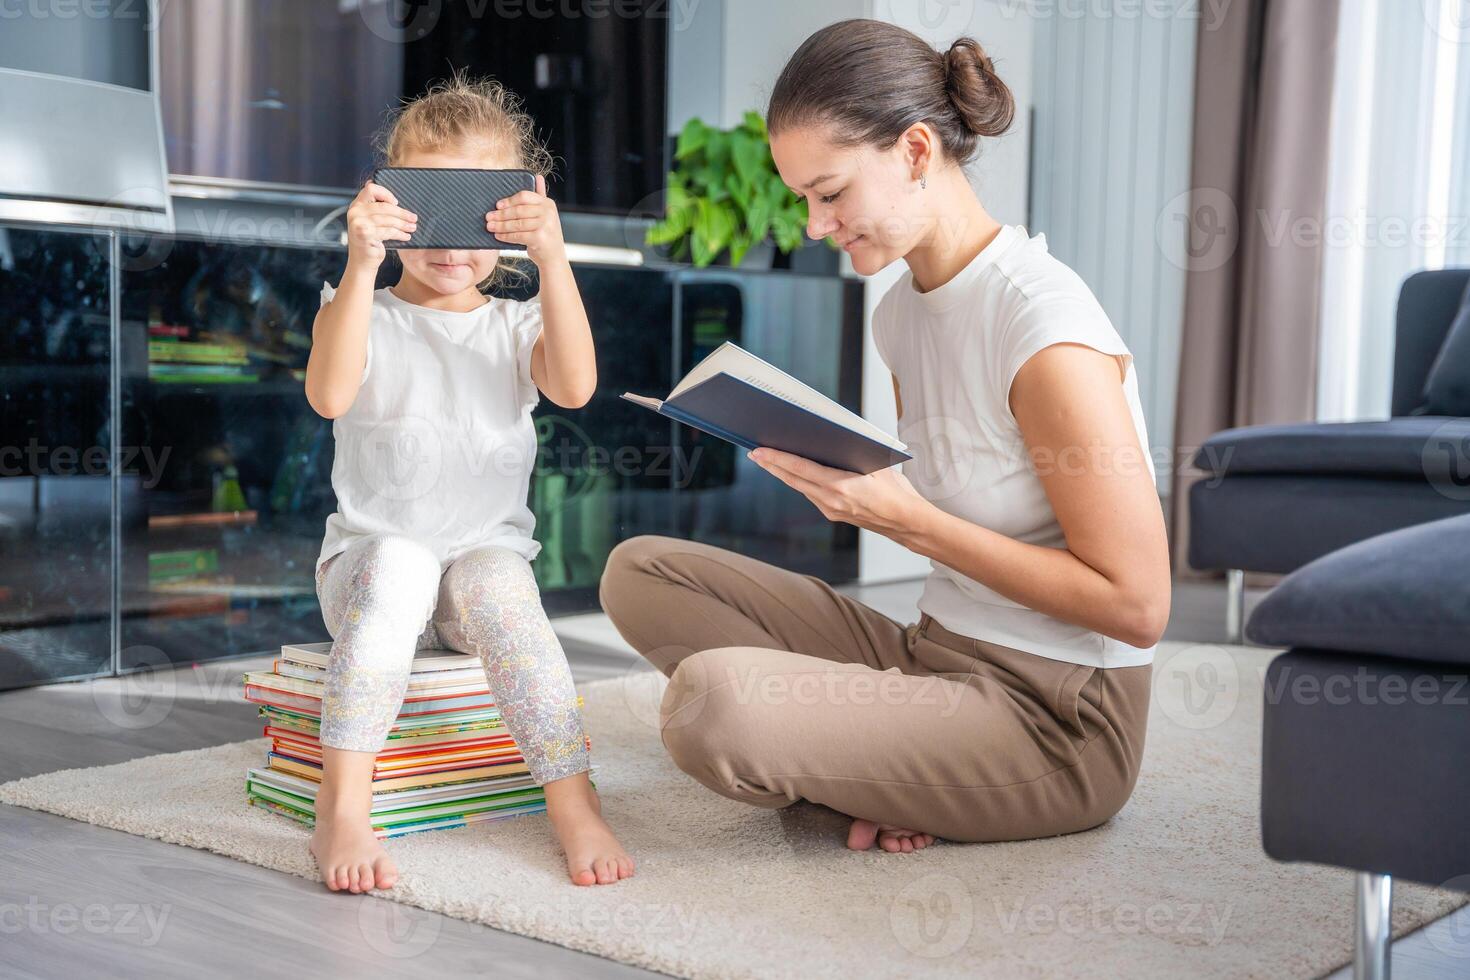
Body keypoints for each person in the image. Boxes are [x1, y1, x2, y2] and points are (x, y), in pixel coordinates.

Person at [599, 19, 1171, 854]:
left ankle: (898, 774)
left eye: (830, 193)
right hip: (931, 653)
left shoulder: (1044, 329)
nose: (814, 226)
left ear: (913, 152)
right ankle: (888, 769)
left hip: (1058, 719)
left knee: (714, 704)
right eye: (803, 199)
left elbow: (1139, 606)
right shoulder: (904, 312)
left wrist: (904, 521)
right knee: (640, 572)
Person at [304, 75, 632, 890]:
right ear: (389, 200)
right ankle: (341, 809)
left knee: (500, 580)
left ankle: (573, 801)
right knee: (403, 565)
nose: (453, 247)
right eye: (429, 213)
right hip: (369, 574)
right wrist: (360, 260)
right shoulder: (358, 311)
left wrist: (553, 257)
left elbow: (577, 387)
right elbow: (328, 396)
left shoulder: (517, 322)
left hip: (473, 579)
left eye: (478, 217)